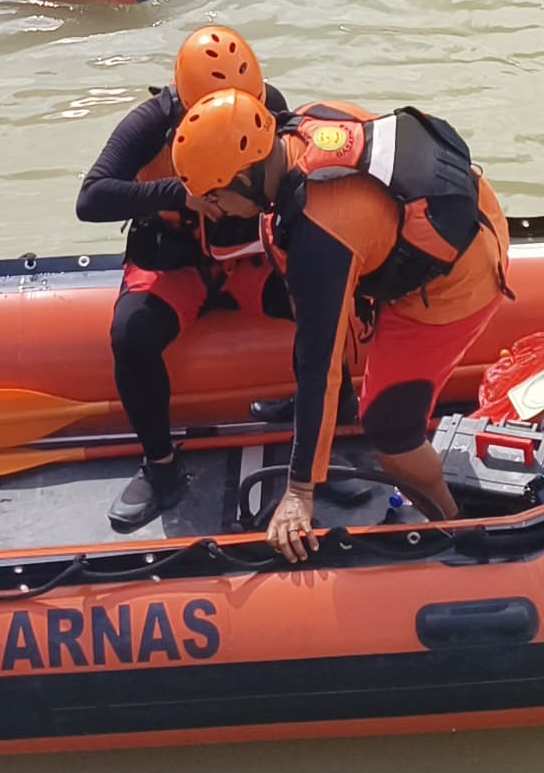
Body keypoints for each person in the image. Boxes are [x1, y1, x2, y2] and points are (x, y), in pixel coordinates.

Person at [169, 86, 511, 562]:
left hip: (456, 287)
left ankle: (454, 525)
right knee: (300, 274)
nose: (215, 209)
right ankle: (344, 419)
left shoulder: (320, 238)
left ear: (246, 178)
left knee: (391, 431)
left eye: (216, 197)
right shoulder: (301, 126)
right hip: (466, 209)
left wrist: (299, 491)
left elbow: (319, 367)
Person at [76, 25, 294, 531]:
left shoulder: (271, 105)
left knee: (324, 295)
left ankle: (327, 418)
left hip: (246, 255)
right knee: (131, 336)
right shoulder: (150, 122)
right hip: (174, 262)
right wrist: (180, 193)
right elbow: (91, 198)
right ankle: (160, 466)